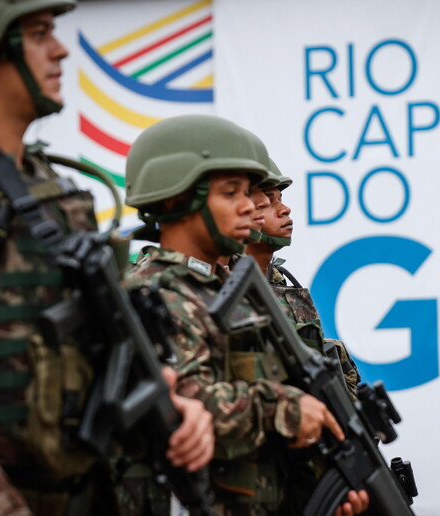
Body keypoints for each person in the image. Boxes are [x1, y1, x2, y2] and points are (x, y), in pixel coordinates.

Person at [0, 1, 213, 514]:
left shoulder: (59, 193)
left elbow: (105, 349)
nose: (61, 49)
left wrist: (176, 408)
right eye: (40, 33)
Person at [123, 114, 367, 516]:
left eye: (250, 192)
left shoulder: (236, 290)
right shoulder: (154, 292)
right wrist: (284, 408)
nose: (250, 206)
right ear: (175, 198)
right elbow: (177, 405)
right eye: (231, 192)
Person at [245, 162, 361, 398]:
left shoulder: (280, 280)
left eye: (280, 199)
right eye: (269, 201)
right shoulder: (217, 283)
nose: (284, 209)